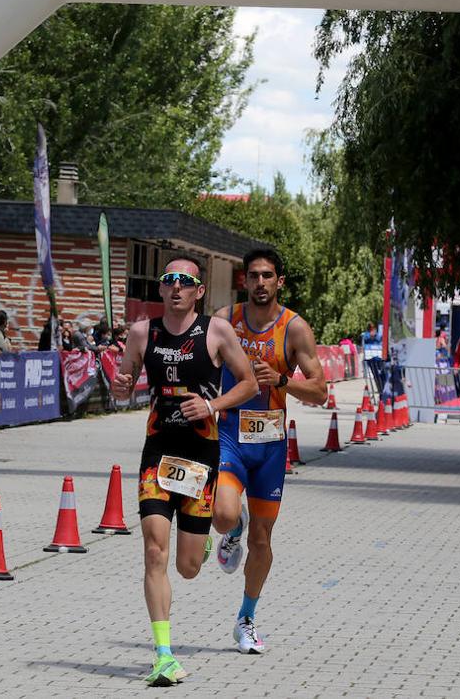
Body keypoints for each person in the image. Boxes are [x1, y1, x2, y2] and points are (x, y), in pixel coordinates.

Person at [111, 256, 257, 687]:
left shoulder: (215, 331)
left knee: (189, 566)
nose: (175, 287)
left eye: (184, 281)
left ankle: (211, 542)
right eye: (168, 280)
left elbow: (248, 382)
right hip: (158, 452)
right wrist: (121, 387)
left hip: (199, 456)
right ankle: (164, 654)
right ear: (161, 289)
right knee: (154, 551)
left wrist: (211, 405)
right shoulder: (143, 332)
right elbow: (126, 383)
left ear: (198, 290)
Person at [211, 249, 326, 655]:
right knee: (224, 515)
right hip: (229, 438)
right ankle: (232, 529)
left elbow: (320, 390)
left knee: (263, 541)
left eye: (268, 276)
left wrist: (281, 380)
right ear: (244, 280)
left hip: (270, 447)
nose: (261, 283)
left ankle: (246, 619)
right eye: (254, 276)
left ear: (280, 282)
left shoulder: (295, 329)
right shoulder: (224, 321)